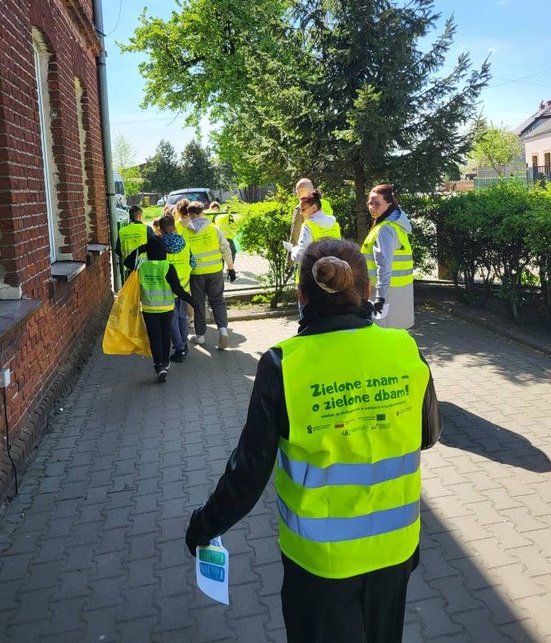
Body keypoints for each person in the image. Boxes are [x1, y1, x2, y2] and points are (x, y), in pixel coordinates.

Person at [185, 238, 442, 643]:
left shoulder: (283, 364)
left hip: (321, 562)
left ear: (301, 295)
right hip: (396, 550)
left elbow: (248, 473)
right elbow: (427, 435)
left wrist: (203, 526)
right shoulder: (404, 347)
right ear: (368, 290)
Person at [124, 236, 196, 383]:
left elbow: (127, 262)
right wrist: (193, 302)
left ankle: (159, 366)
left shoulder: (142, 265)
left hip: (149, 309)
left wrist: (142, 248)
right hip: (167, 309)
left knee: (154, 337)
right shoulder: (168, 267)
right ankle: (166, 362)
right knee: (165, 335)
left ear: (149, 251)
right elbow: (178, 290)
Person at [183, 202, 236, 349]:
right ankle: (223, 331)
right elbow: (226, 248)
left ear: (189, 215)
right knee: (218, 301)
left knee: (198, 303)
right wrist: (231, 268)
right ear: (203, 213)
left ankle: (200, 336)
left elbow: (183, 255)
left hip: (196, 274)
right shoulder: (214, 229)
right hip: (215, 272)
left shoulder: (186, 233)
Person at [361, 184, 414, 330]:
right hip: (401, 292)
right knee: (398, 334)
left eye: (377, 204)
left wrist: (380, 297)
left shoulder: (385, 229)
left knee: (381, 334)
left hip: (384, 294)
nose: (372, 207)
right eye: (370, 203)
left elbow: (384, 266)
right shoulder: (396, 226)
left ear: (389, 204)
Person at [158, 214, 193, 363]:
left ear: (161, 230)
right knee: (182, 316)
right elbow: (193, 263)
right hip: (184, 285)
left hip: (167, 287)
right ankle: (184, 342)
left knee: (172, 319)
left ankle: (179, 348)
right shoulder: (185, 241)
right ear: (174, 226)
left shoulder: (160, 244)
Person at [287, 178, 333, 270]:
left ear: (300, 192)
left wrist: (289, 262)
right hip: (330, 261)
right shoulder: (327, 207)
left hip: (308, 264)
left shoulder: (302, 209)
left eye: (297, 192)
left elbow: (295, 236)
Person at [115, 204, 155, 271]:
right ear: (139, 216)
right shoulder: (147, 229)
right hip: (145, 266)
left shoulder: (122, 231)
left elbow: (118, 250)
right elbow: (155, 246)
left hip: (129, 267)